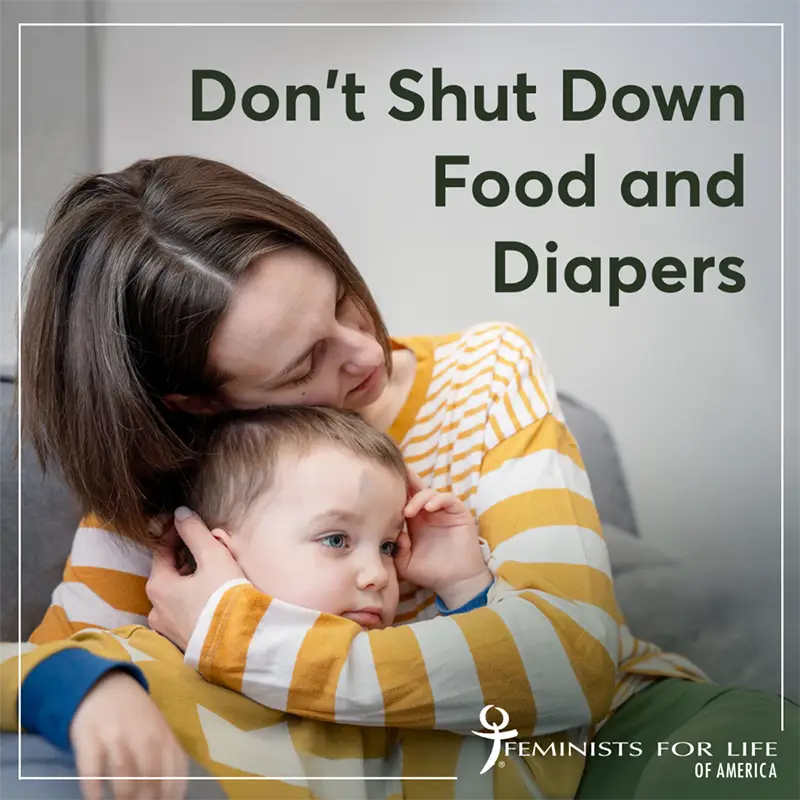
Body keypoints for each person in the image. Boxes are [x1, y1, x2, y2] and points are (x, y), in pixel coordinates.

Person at [13, 155, 799, 799]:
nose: (364, 354)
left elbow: (571, 662)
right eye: (301, 366)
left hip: (616, 734)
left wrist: (238, 633)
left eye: (342, 302)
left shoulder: (485, 374)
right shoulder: (172, 480)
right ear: (199, 403)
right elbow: (48, 662)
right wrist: (86, 685)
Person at [10, 406, 496, 800]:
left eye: (389, 546)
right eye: (336, 539)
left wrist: (464, 587)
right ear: (210, 552)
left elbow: (495, 763)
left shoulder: (374, 713)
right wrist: (84, 690)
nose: (378, 576)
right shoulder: (142, 663)